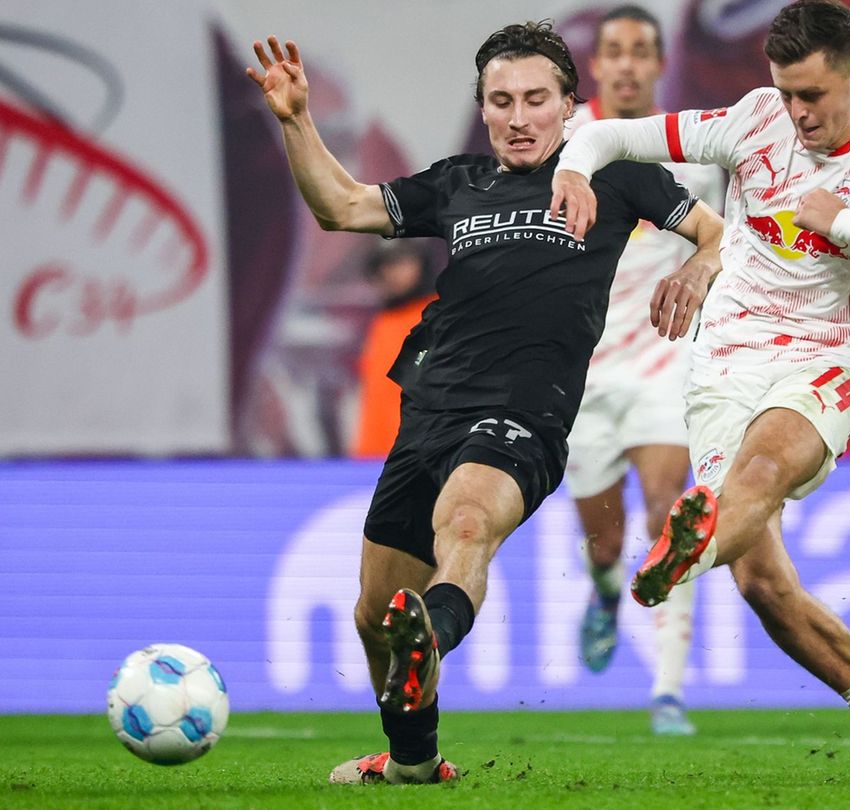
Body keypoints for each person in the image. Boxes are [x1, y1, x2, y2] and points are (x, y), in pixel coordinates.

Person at [246, 24, 724, 785]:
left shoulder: (618, 175)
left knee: (466, 525)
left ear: (571, 107)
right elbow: (341, 207)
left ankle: (429, 638)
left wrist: (699, 269)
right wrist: (296, 120)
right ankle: (413, 760)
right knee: (374, 612)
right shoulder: (458, 182)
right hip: (430, 411)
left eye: (537, 99)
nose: (520, 116)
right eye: (502, 101)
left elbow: (716, 233)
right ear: (485, 110)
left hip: (526, 415)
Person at [551, 0, 850, 786]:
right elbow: (613, 132)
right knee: (761, 581)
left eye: (812, 96)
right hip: (726, 360)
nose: (797, 114)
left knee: (760, 473)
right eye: (785, 93)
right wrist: (575, 167)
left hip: (827, 358)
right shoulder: (753, 120)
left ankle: (683, 555)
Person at [565, 4, 726, 736]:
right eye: (614, 52)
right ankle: (603, 595)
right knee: (604, 539)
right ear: (596, 66)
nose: (627, 64)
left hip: (667, 363)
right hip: (583, 375)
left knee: (671, 510)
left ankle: (668, 690)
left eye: (640, 52)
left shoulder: (694, 157)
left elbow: (727, 249)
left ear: (660, 64)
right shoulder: (568, 148)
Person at [350, 243, 436, 458]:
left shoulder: (438, 316)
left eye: (402, 263)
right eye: (386, 265)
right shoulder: (382, 322)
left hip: (422, 456)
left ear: (421, 265)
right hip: (374, 455)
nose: (393, 273)